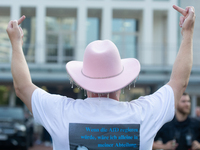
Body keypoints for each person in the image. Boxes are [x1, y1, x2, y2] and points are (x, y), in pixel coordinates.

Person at [6, 5, 195, 150]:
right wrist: (188, 34)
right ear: (122, 83)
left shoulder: (61, 112)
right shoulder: (142, 114)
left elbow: (22, 87)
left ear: (83, 82)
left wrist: (16, 43)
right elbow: (179, 83)